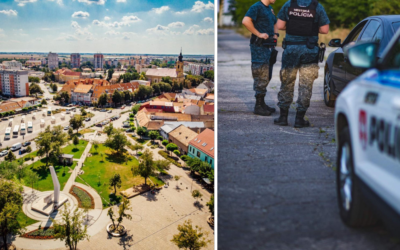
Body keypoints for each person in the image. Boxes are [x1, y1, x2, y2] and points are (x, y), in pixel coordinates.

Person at [274, 0, 329, 127]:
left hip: (291, 49)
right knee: (306, 85)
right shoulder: (317, 6)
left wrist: (294, 26)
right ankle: (299, 119)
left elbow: (280, 25)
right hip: (309, 50)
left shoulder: (289, 4)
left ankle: (283, 117)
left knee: (287, 82)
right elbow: (325, 29)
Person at [242, 0, 279, 116]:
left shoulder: (269, 9)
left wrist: (275, 34)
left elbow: (275, 22)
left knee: (267, 76)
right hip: (259, 47)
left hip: (268, 46)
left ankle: (262, 103)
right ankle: (258, 106)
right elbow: (246, 21)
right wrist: (259, 34)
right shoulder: (256, 7)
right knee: (261, 75)